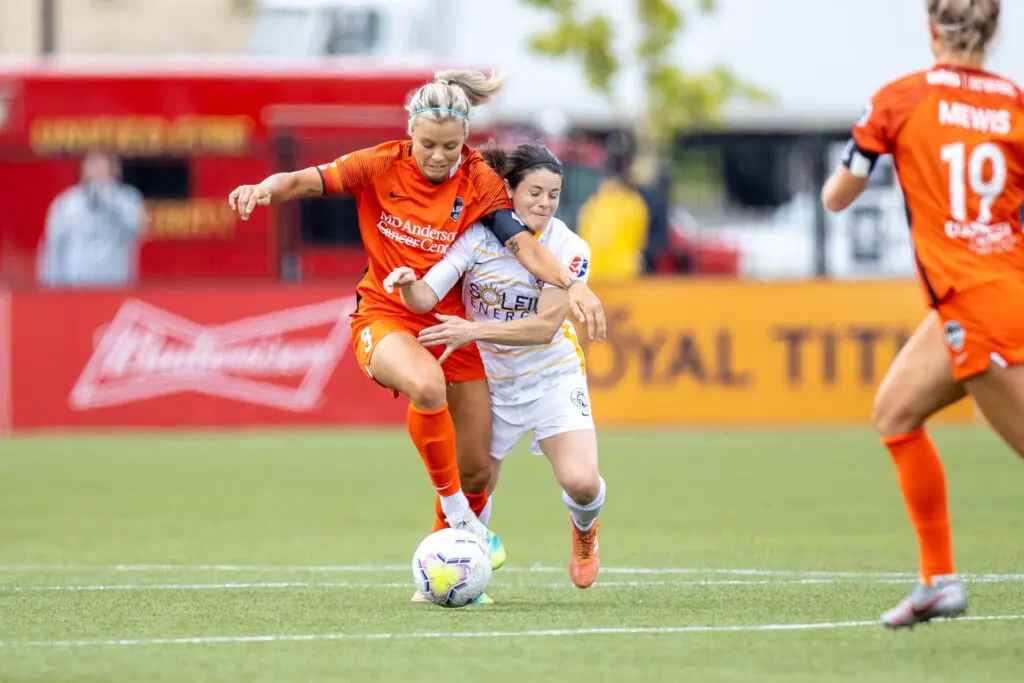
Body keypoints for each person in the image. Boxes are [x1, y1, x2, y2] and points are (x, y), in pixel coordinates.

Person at [227, 70, 606, 581]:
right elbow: (301, 180)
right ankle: (456, 521)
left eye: (450, 146)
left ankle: (448, 573)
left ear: (465, 140)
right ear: (411, 133)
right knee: (427, 386)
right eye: (428, 144)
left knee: (476, 470)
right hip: (386, 313)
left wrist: (573, 283)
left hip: (450, 325)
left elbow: (525, 246)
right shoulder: (378, 164)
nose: (438, 156)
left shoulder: (478, 180)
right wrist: (263, 188)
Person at [821, 0, 1024, 629]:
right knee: (896, 412)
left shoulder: (899, 99)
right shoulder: (1015, 103)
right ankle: (938, 581)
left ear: (932, 29)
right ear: (991, 33)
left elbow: (838, 196)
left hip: (974, 301)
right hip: (994, 289)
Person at [385, 142, 605, 596]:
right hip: (490, 385)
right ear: (507, 190)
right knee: (473, 486)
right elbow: (428, 294)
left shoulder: (568, 247)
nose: (545, 203)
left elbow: (545, 328)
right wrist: (409, 287)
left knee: (582, 484)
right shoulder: (476, 238)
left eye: (554, 194)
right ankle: (461, 576)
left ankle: (585, 529)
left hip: (551, 378)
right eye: (535, 193)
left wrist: (472, 332)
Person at [38, 150, 145, 288]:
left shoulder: (127, 200)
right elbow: (53, 247)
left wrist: (110, 200)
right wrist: (50, 286)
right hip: (74, 287)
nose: (97, 170)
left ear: (113, 169)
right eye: (92, 164)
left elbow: (136, 228)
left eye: (102, 165)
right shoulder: (66, 203)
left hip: (115, 286)